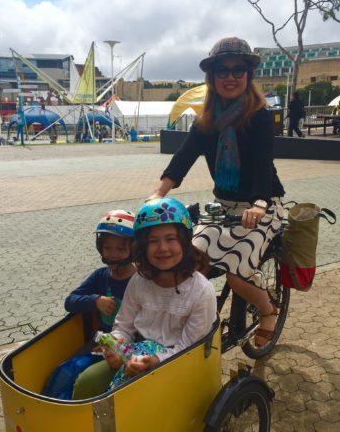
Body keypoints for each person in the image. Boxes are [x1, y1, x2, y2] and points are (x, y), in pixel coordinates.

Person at [148, 37, 285, 348]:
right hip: (223, 205)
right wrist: (158, 194)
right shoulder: (206, 121)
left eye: (238, 70)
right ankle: (199, 317)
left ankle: (268, 310)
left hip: (263, 204)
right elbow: (182, 158)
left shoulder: (259, 115)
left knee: (237, 276)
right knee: (189, 259)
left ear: (248, 76)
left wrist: (260, 203)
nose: (230, 77)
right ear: (212, 78)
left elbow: (264, 161)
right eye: (222, 71)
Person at [71, 198, 217, 399]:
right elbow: (123, 326)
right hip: (134, 354)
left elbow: (188, 348)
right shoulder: (139, 281)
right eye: (153, 241)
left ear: (184, 241)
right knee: (86, 382)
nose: (163, 248)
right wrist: (115, 349)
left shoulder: (202, 292)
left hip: (178, 364)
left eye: (171, 239)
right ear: (141, 246)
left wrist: (155, 360)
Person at [42, 210, 137, 399]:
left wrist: (115, 346)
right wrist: (95, 301)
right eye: (108, 248)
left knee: (78, 373)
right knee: (64, 370)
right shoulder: (101, 276)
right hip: (100, 344)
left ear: (133, 249)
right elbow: (70, 301)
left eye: (120, 249)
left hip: (127, 348)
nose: (113, 254)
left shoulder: (139, 281)